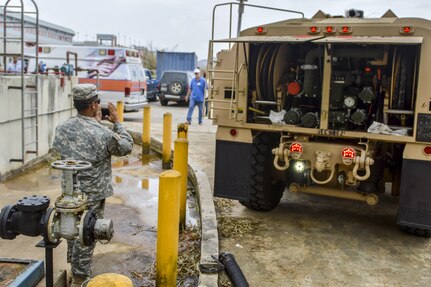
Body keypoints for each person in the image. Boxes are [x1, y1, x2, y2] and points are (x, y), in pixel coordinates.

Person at [52, 83, 133, 287]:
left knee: (71, 228)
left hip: (70, 191)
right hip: (93, 194)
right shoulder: (102, 133)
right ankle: (80, 278)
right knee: (87, 234)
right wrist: (117, 122)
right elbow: (125, 146)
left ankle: (75, 267)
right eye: (98, 102)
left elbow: (60, 149)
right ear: (94, 105)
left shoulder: (62, 127)